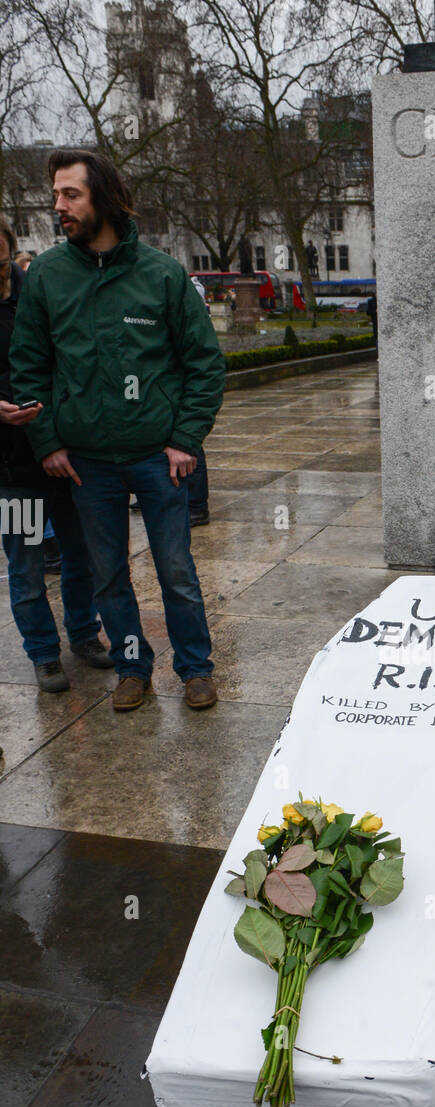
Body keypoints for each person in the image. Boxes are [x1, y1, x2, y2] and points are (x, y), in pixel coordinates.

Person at [11, 149, 225, 712]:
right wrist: (49, 442)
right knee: (108, 577)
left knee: (176, 570)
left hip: (157, 456)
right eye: (56, 194)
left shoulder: (161, 274)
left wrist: (184, 439)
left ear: (103, 196)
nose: (58, 206)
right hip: (88, 463)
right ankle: (133, 667)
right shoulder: (48, 277)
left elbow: (203, 363)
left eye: (70, 194)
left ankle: (196, 669)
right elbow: (29, 365)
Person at [0, 212, 112, 691]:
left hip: (65, 457)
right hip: (14, 470)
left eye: (1, 252)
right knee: (25, 564)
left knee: (79, 554)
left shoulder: (40, 291)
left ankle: (84, 635)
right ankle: (43, 653)